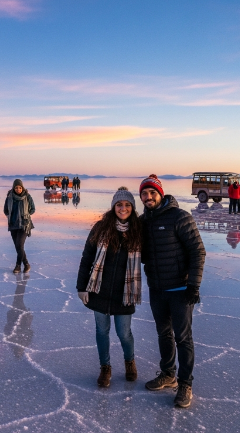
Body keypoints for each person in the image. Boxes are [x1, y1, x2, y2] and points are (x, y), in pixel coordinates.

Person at [138, 174, 206, 408]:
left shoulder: (180, 217)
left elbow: (198, 251)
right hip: (156, 289)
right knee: (163, 334)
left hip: (179, 289)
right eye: (144, 194)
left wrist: (194, 285)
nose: (148, 197)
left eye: (152, 193)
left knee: (183, 337)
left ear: (160, 194)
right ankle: (168, 374)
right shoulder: (143, 221)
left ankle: (185, 384)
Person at [76, 187, 142, 388]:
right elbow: (87, 257)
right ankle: (105, 367)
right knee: (102, 331)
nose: (123, 208)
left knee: (124, 333)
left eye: (127, 205)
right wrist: (81, 286)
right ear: (113, 206)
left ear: (132, 207)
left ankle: (129, 361)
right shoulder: (100, 228)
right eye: (119, 204)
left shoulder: (138, 231)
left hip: (125, 293)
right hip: (99, 290)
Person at [3, 179, 35, 274]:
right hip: (13, 225)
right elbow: (5, 210)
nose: (18, 189)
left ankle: (18, 265)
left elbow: (33, 209)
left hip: (24, 225)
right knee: (18, 247)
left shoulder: (27, 197)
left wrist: (25, 214)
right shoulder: (9, 197)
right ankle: (26, 264)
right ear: (13, 188)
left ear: (22, 188)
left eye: (20, 187)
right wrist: (11, 216)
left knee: (19, 245)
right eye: (16, 187)